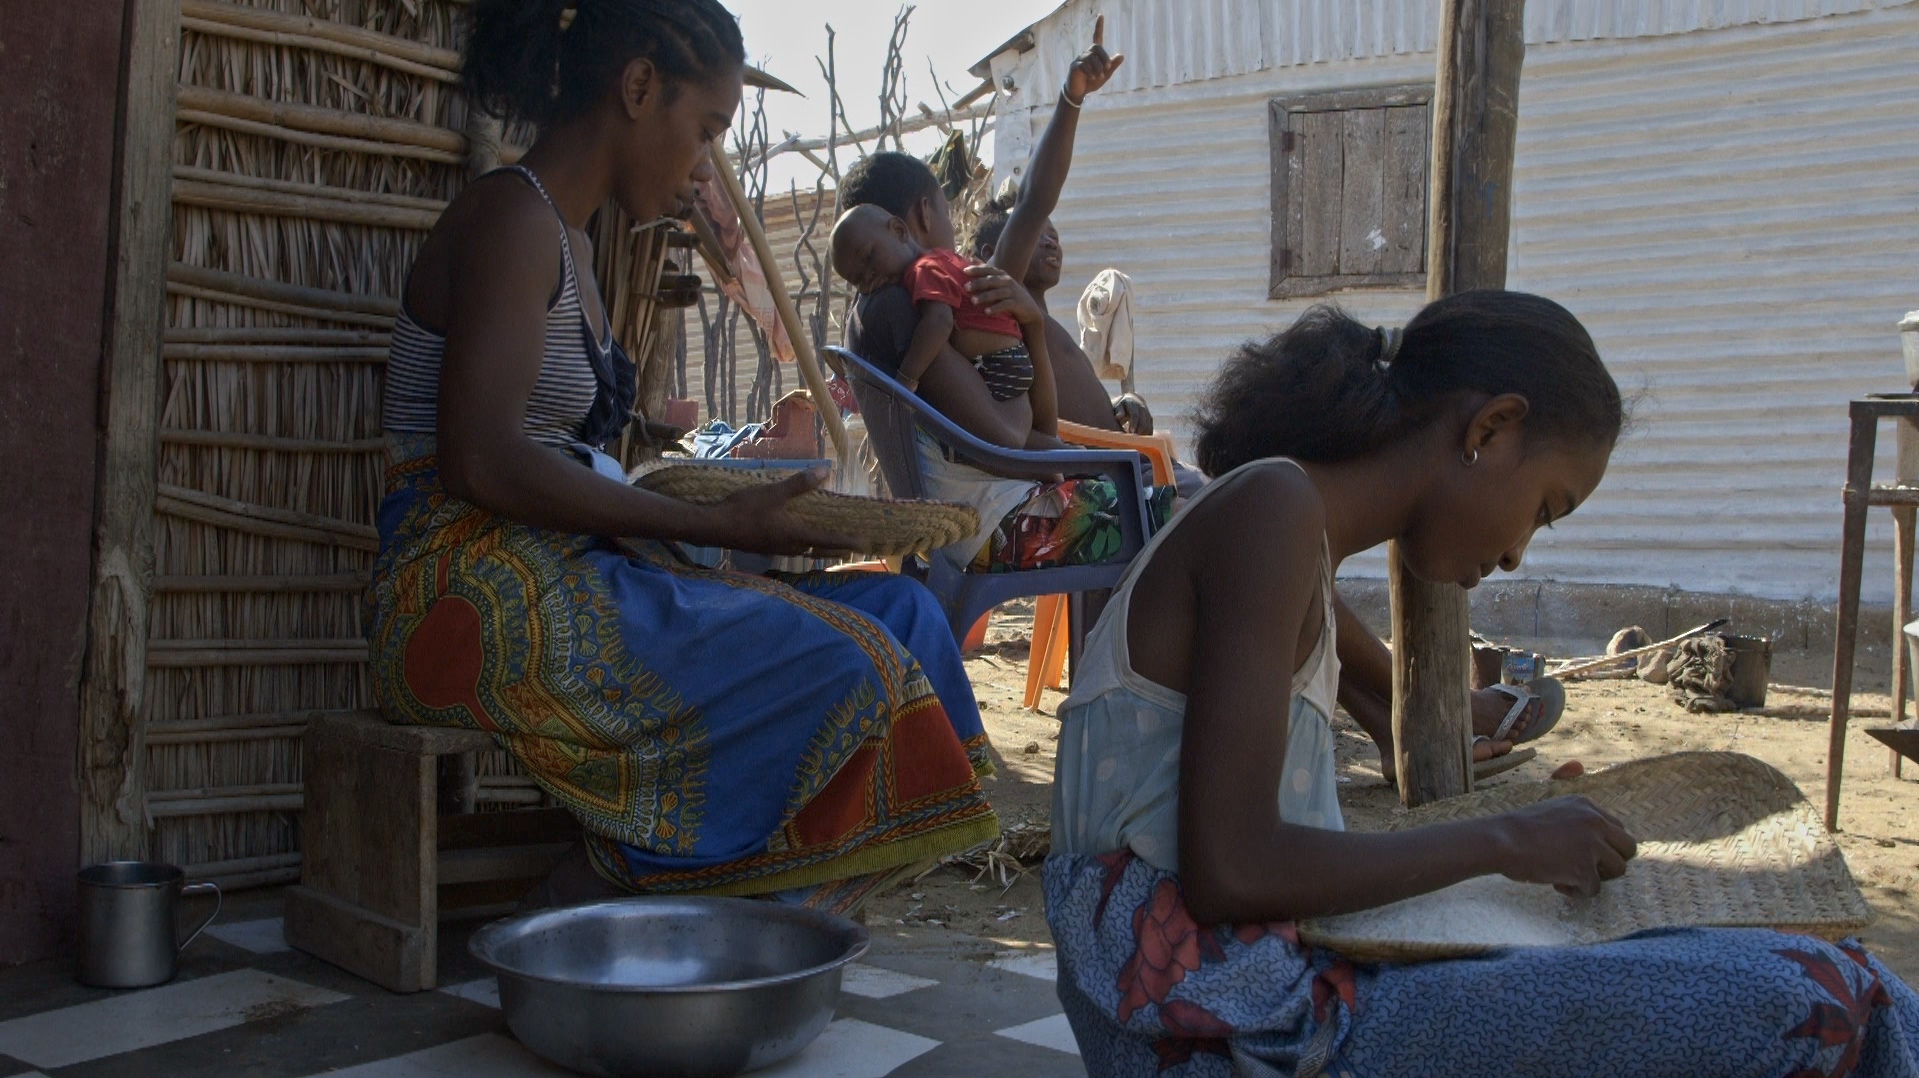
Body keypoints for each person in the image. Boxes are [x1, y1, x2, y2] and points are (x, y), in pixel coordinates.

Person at [1044, 293, 1919, 1076]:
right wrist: (1503, 840)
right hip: (1234, 1030)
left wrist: (1503, 825)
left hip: (1245, 1001)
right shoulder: (1269, 514)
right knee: (1822, 993)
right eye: (1542, 509)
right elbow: (1231, 871)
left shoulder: (1285, 533)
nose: (1515, 555)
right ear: (1491, 428)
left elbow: (1302, 783)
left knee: (1834, 974)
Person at [364, 0, 999, 916]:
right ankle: (607, 901)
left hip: (566, 564)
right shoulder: (510, 219)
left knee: (905, 615)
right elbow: (481, 463)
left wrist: (729, 528)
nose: (706, 165)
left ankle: (755, 917)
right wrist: (704, 521)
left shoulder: (571, 240)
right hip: (462, 592)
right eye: (705, 129)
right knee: (850, 666)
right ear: (637, 88)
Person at [832, 204, 1044, 402]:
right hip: (1013, 358)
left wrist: (905, 379)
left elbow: (940, 321)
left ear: (899, 231)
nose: (869, 275)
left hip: (997, 365)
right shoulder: (941, 258)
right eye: (858, 279)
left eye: (869, 256)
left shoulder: (923, 270)